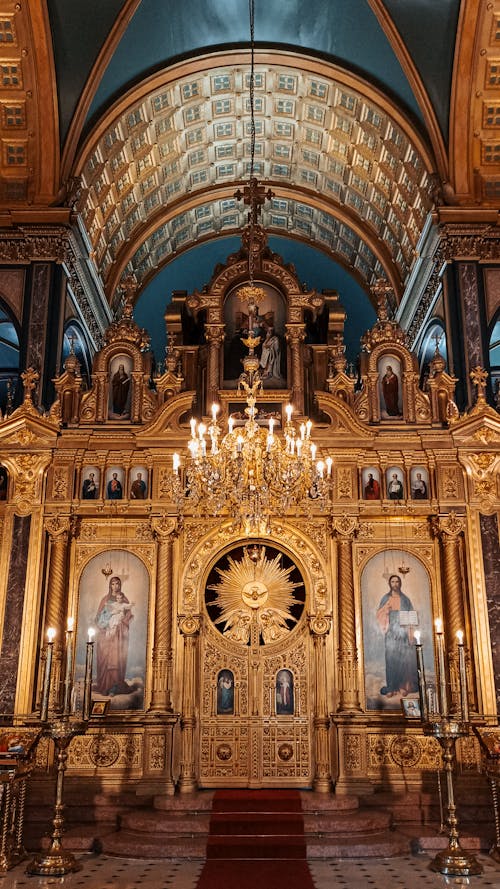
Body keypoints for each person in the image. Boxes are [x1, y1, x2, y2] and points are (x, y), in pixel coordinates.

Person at [376, 574, 418, 698]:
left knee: (403, 660)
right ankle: (392, 687)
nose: (395, 584)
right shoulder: (386, 598)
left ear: (400, 583)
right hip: (390, 633)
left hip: (403, 633)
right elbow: (379, 614)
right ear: (390, 584)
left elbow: (411, 616)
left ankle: (402, 686)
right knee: (391, 660)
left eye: (397, 581)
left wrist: (410, 633)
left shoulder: (405, 599)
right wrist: (385, 609)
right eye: (393, 581)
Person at [95, 576, 134, 696]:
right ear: (110, 585)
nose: (115, 586)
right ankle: (104, 686)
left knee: (116, 658)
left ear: (120, 585)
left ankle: (114, 686)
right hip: (106, 634)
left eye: (117, 584)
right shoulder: (105, 600)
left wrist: (120, 623)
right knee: (105, 658)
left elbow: (128, 616)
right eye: (113, 584)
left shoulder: (124, 600)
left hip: (118, 635)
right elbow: (98, 618)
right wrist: (105, 623)